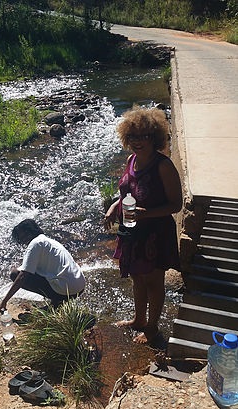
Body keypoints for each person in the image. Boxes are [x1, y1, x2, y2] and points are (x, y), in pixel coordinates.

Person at [104, 107, 182, 344]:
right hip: (133, 231)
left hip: (156, 234)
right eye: (134, 136)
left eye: (145, 136)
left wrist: (146, 214)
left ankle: (151, 328)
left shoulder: (163, 166)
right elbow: (128, 192)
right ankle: (138, 320)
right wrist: (113, 206)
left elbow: (176, 204)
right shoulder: (131, 160)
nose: (139, 142)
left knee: (154, 282)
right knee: (137, 278)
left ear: (155, 137)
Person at [0, 219, 85, 310]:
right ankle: (55, 303)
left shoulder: (35, 244)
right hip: (79, 288)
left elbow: (22, 276)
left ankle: (56, 302)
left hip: (66, 292)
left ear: (32, 232)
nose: (24, 240)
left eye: (24, 236)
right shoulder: (50, 242)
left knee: (15, 274)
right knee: (42, 271)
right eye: (21, 238)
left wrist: (4, 302)